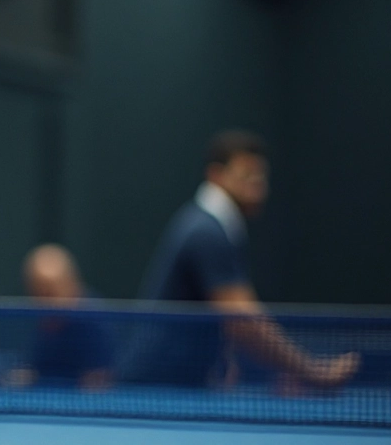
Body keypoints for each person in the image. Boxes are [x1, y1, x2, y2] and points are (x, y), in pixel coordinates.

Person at [124, 130, 359, 387]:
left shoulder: (215, 226)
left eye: (261, 177)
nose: (258, 188)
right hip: (159, 387)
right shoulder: (206, 232)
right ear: (216, 175)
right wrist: (312, 372)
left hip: (181, 384)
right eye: (247, 176)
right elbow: (244, 322)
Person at [21, 244, 114, 389]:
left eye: (50, 292)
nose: (44, 301)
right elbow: (37, 369)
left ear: (69, 283)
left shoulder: (93, 320)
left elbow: (99, 379)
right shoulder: (43, 320)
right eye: (37, 291)